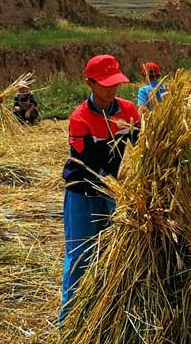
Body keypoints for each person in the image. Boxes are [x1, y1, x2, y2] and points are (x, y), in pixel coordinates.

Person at [59, 54, 140, 323]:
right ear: (89, 83)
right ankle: (69, 321)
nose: (111, 89)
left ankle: (100, 315)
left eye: (115, 83)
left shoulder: (128, 111)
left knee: (108, 254)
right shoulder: (79, 119)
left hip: (111, 193)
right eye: (105, 84)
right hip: (82, 192)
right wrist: (119, 186)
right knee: (80, 256)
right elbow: (88, 164)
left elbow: (141, 146)